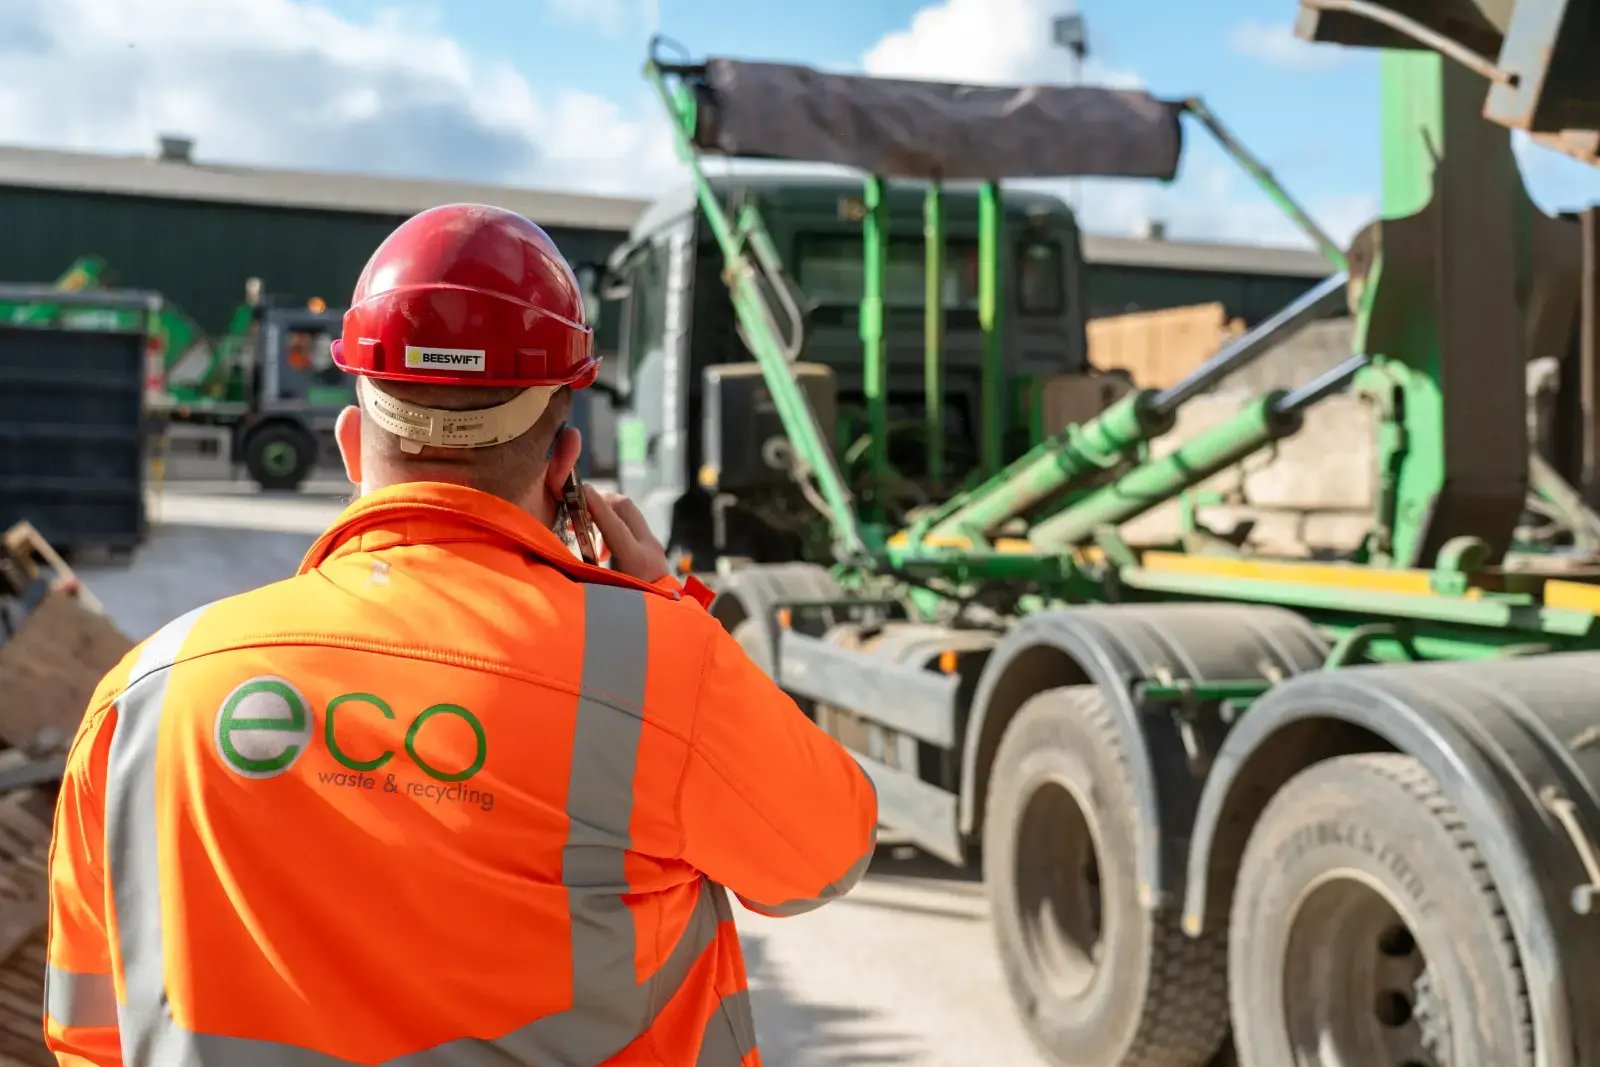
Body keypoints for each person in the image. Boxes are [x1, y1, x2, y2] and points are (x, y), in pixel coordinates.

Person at [42, 203, 879, 1066]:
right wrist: (666, 601)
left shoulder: (149, 692)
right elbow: (826, 854)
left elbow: (88, 1030)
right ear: (564, 464)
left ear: (350, 444)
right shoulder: (657, 668)